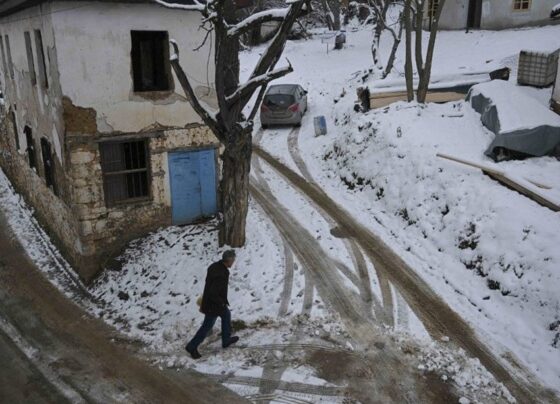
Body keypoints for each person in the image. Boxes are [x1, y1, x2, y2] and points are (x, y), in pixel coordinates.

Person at [185, 250, 239, 359]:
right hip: (214, 305)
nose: (233, 262)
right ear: (228, 260)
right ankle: (192, 346)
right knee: (207, 326)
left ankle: (226, 340)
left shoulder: (215, 266)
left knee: (226, 315)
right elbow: (213, 292)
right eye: (233, 260)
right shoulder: (221, 273)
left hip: (211, 302)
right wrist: (221, 303)